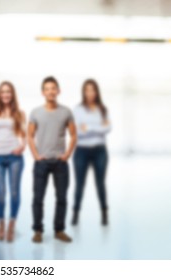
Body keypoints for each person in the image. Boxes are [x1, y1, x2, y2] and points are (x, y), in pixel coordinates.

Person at [28, 76, 77, 243]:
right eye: (47, 89)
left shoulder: (66, 112)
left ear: (58, 91)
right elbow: (29, 135)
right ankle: (38, 231)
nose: (51, 91)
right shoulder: (36, 112)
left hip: (60, 162)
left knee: (62, 198)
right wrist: (36, 155)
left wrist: (67, 154)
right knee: (38, 198)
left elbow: (74, 134)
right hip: (41, 162)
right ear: (43, 92)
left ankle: (59, 230)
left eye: (53, 88)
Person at [0, 81, 26, 242]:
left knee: (14, 192)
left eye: (8, 92)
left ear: (12, 94)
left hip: (15, 156)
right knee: (1, 193)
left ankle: (12, 225)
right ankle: (1, 223)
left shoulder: (19, 113)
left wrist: (22, 146)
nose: (6, 95)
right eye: (3, 92)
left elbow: (24, 134)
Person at [71, 79, 111, 226]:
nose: (90, 93)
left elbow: (108, 128)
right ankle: (75, 213)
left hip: (100, 150)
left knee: (100, 183)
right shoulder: (78, 109)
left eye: (92, 90)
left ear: (97, 92)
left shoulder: (103, 109)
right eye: (87, 90)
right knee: (79, 184)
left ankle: (104, 212)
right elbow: (78, 132)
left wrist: (89, 128)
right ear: (83, 92)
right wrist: (98, 127)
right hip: (81, 150)